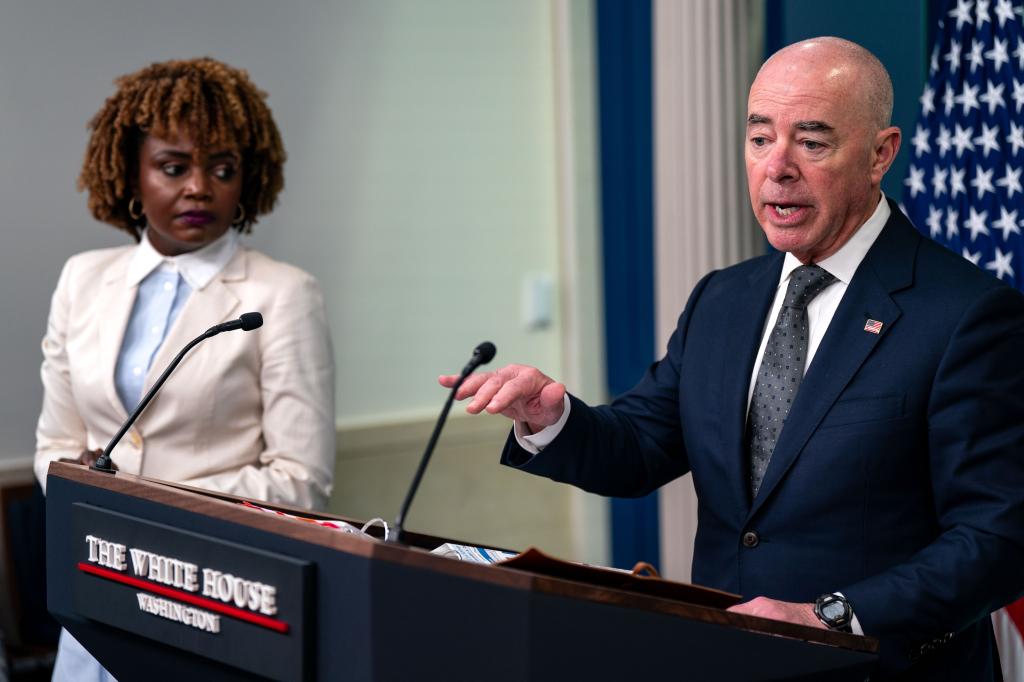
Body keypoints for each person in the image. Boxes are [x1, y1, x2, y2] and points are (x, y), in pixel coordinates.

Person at [442, 37, 1024, 680]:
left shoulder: (967, 314)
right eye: (759, 139)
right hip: (724, 660)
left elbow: (997, 539)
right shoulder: (723, 298)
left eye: (812, 141)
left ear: (881, 153)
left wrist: (832, 616)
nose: (777, 167)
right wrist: (553, 418)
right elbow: (640, 447)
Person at [34, 58, 335, 681]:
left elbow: (301, 482)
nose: (199, 187)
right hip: (100, 581)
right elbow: (54, 448)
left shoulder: (283, 294)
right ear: (131, 173)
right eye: (174, 167)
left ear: (246, 183)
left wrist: (149, 508)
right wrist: (77, 482)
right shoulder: (82, 280)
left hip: (217, 593)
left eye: (222, 169)